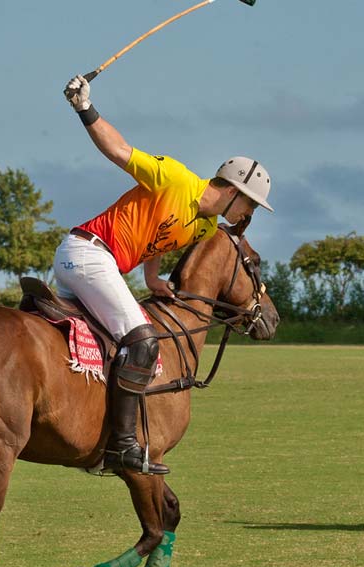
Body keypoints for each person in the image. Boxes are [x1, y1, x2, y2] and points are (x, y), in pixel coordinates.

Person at [56, 74, 274, 475]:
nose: (250, 214)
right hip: (89, 253)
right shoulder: (175, 178)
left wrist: (153, 280)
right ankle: (123, 446)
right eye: (252, 205)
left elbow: (156, 242)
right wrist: (84, 108)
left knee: (99, 346)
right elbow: (119, 151)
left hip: (94, 262)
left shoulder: (207, 227)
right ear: (233, 191)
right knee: (143, 340)